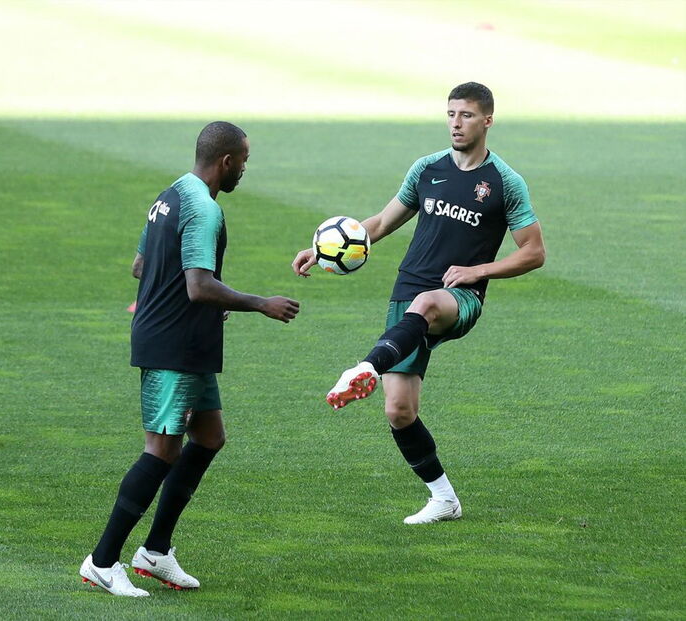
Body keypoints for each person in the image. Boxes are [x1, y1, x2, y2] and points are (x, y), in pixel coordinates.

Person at [292, 82, 545, 524]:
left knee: (427, 305)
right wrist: (323, 248)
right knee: (399, 410)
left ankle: (364, 367)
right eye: (450, 114)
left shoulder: (504, 182)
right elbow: (383, 221)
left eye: (466, 115)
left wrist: (478, 272)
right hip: (407, 292)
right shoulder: (427, 169)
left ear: (487, 120)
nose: (456, 123)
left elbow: (533, 252)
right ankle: (444, 498)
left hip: (458, 296)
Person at [80, 121, 300, 597]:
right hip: (172, 345)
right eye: (243, 160)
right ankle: (102, 561)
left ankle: (155, 552)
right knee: (161, 450)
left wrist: (193, 305)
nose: (244, 168)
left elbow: (142, 266)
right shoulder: (204, 208)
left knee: (209, 437)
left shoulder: (171, 194)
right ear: (226, 162)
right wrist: (261, 303)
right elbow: (198, 285)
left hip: (186, 339)